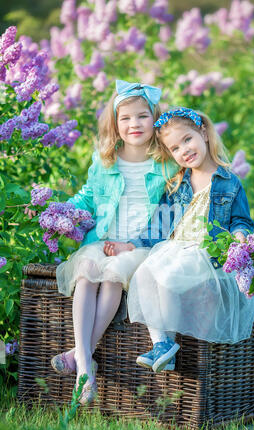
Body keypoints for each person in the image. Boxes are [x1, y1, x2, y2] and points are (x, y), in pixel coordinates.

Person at [105, 107, 254, 373]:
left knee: (168, 277)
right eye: (175, 148)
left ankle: (169, 343)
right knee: (144, 275)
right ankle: (162, 344)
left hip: (204, 251)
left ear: (204, 133)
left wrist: (239, 238)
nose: (184, 150)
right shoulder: (178, 183)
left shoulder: (228, 182)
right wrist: (130, 245)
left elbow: (241, 220)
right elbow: (159, 225)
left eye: (187, 139)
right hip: (174, 248)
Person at [51, 80, 178, 403]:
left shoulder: (166, 163)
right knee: (87, 269)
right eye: (126, 118)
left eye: (142, 117)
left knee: (112, 276)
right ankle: (84, 366)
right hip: (104, 240)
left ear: (155, 120)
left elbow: (167, 215)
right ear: (115, 123)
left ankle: (81, 355)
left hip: (139, 246)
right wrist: (64, 213)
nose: (134, 124)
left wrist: (132, 244)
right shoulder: (105, 159)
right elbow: (88, 197)